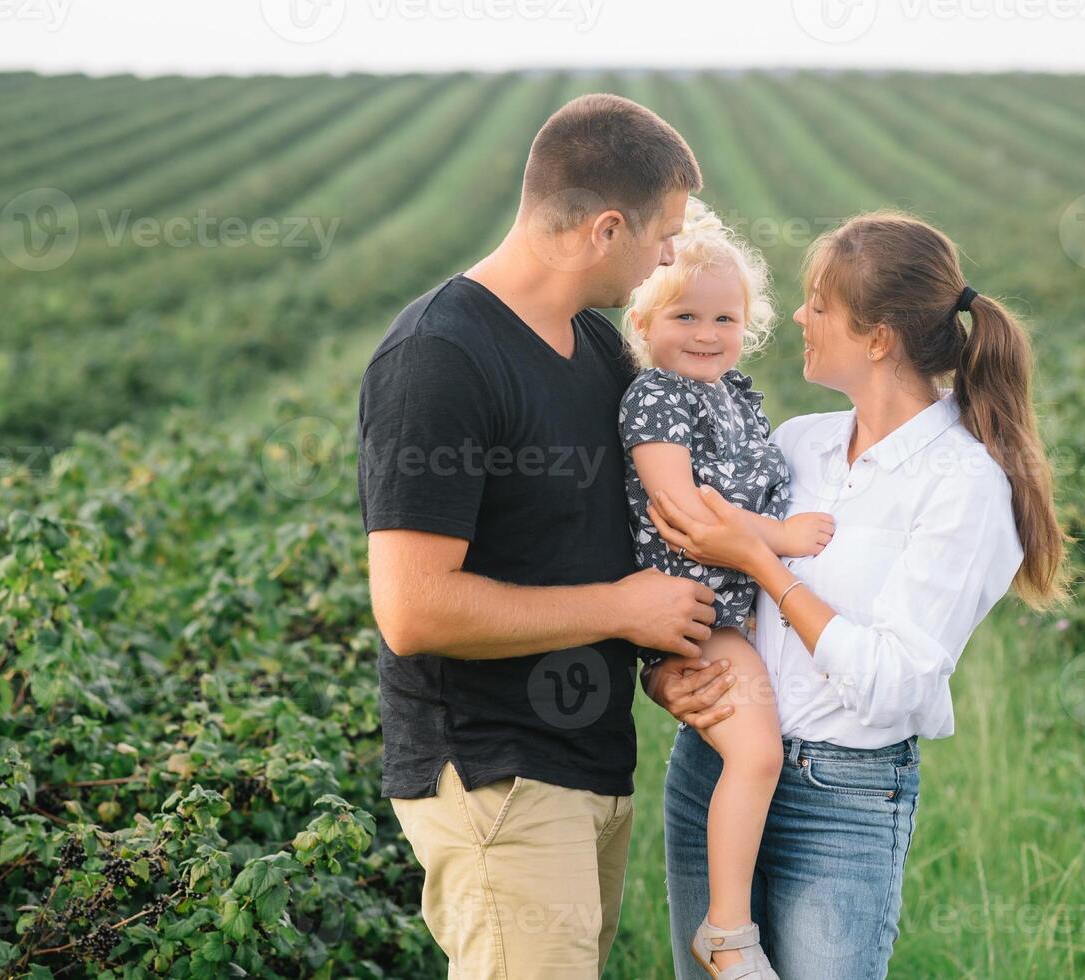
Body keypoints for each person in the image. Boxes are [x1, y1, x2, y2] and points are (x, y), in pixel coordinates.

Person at [642, 210, 1070, 978]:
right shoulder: (799, 441)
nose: (800, 317)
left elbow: (893, 683)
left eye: (819, 304)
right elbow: (701, 572)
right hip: (715, 764)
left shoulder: (963, 485)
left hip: (839, 803)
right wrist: (663, 670)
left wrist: (768, 564)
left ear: (878, 338)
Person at [357, 93, 727, 979]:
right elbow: (412, 610)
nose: (672, 255)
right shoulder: (439, 358)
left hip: (589, 760)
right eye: (664, 233)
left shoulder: (597, 350)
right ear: (607, 230)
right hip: (497, 770)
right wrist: (623, 608)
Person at [617, 197, 834, 978]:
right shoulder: (657, 397)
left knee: (753, 754)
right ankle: (728, 929)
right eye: (685, 317)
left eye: (724, 319)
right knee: (758, 753)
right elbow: (680, 505)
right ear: (644, 323)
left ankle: (732, 918)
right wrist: (777, 539)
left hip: (728, 609)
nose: (706, 335)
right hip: (695, 609)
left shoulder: (737, 395)